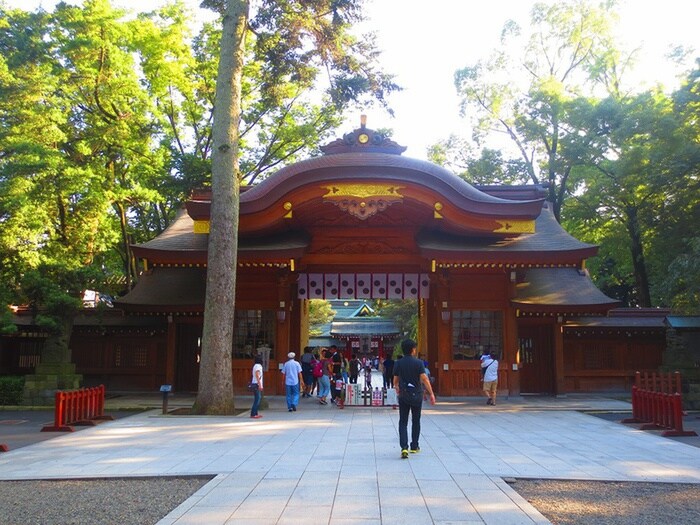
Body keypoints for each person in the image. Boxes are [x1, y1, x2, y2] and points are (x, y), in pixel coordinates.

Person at [393, 339, 435, 459]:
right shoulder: (418, 363)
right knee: (416, 420)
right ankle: (414, 446)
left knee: (403, 421)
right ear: (413, 349)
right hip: (416, 394)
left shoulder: (398, 363)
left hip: (404, 395)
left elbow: (395, 380)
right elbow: (424, 379)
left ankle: (404, 447)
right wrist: (431, 393)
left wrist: (397, 387)